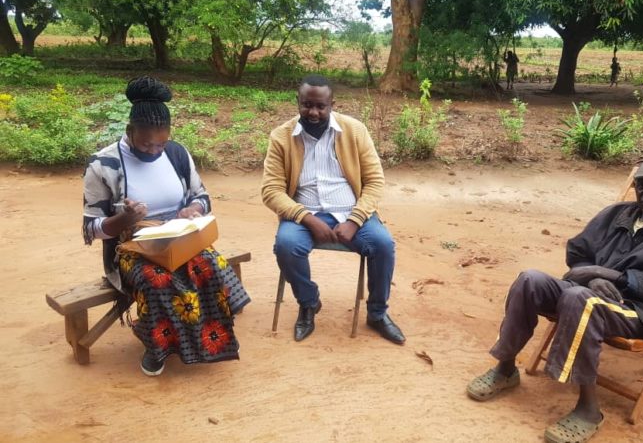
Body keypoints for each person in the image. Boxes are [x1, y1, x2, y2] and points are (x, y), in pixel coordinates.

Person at [466, 159, 643, 443]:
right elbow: (578, 253)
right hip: (584, 290)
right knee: (529, 280)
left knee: (581, 299)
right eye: (642, 186)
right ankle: (505, 369)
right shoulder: (616, 214)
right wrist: (592, 277)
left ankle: (589, 409)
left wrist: (613, 276)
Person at [82, 76, 251, 376]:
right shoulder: (103, 164)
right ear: (129, 131)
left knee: (210, 266)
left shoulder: (176, 154)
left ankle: (214, 340)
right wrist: (124, 219)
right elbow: (91, 228)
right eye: (146, 143)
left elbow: (202, 196)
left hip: (178, 238)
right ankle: (157, 348)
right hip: (131, 248)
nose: (154, 150)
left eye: (161, 143)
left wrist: (193, 209)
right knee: (157, 280)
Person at [261, 74, 405, 345]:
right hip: (304, 213)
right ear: (298, 102)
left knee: (383, 244)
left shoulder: (355, 131)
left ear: (332, 104)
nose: (313, 112)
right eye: (306, 105)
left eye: (320, 106)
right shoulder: (281, 137)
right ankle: (309, 303)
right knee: (286, 245)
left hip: (351, 212)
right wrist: (307, 219)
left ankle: (376, 313)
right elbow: (271, 191)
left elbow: (375, 181)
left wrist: (354, 219)